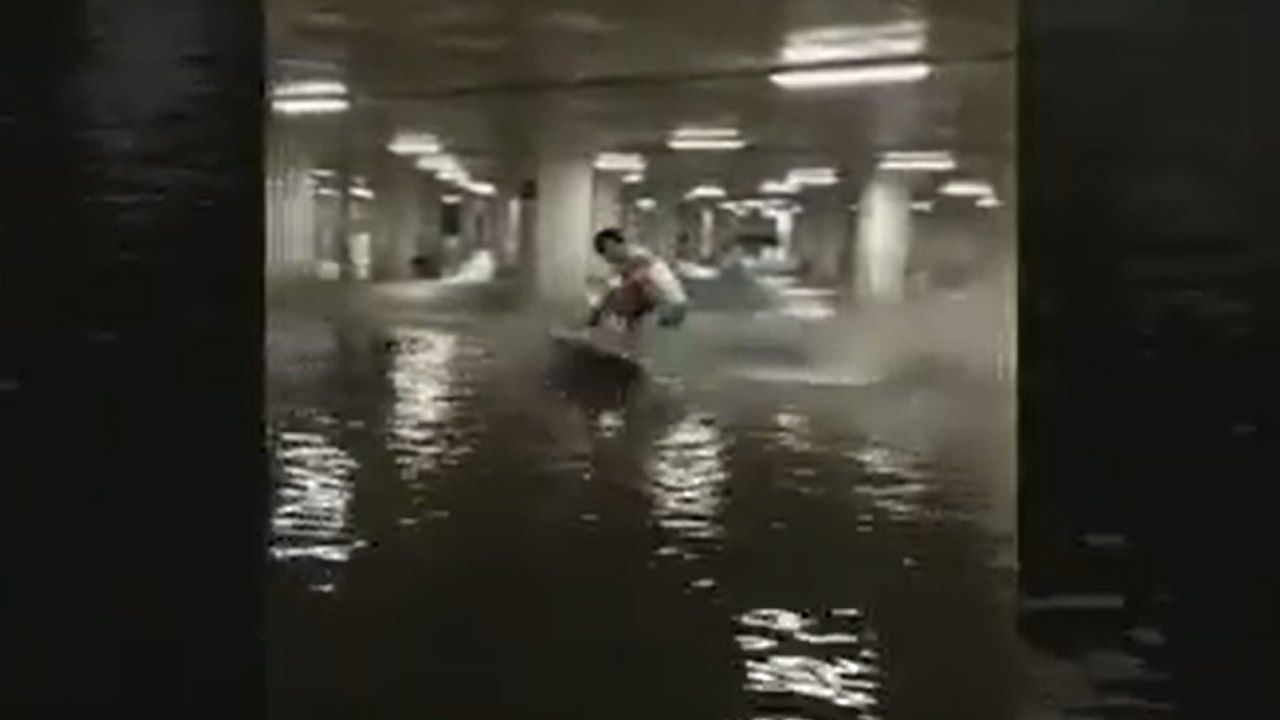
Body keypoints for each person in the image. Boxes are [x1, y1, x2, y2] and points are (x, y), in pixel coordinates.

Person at [586, 228, 688, 334]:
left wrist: (597, 311)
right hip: (670, 306)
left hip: (668, 307)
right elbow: (613, 286)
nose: (606, 258)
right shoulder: (630, 260)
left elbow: (621, 288)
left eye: (604, 251)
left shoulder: (637, 257)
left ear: (612, 245)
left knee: (626, 293)